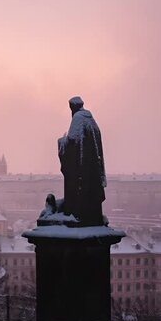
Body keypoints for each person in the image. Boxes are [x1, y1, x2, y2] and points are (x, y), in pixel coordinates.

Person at [58, 96, 106, 226]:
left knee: (80, 189)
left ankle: (77, 212)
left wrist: (62, 142)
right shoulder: (91, 120)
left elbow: (72, 140)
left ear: (73, 107)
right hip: (92, 168)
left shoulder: (78, 118)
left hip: (82, 167)